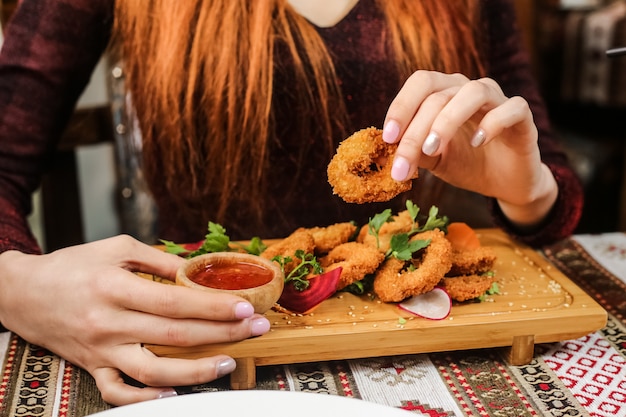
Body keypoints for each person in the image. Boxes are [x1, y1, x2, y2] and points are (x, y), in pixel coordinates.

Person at [0, 0, 583, 407]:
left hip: (437, 350)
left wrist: (527, 189)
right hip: (200, 355)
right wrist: (16, 282)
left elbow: (552, 191)